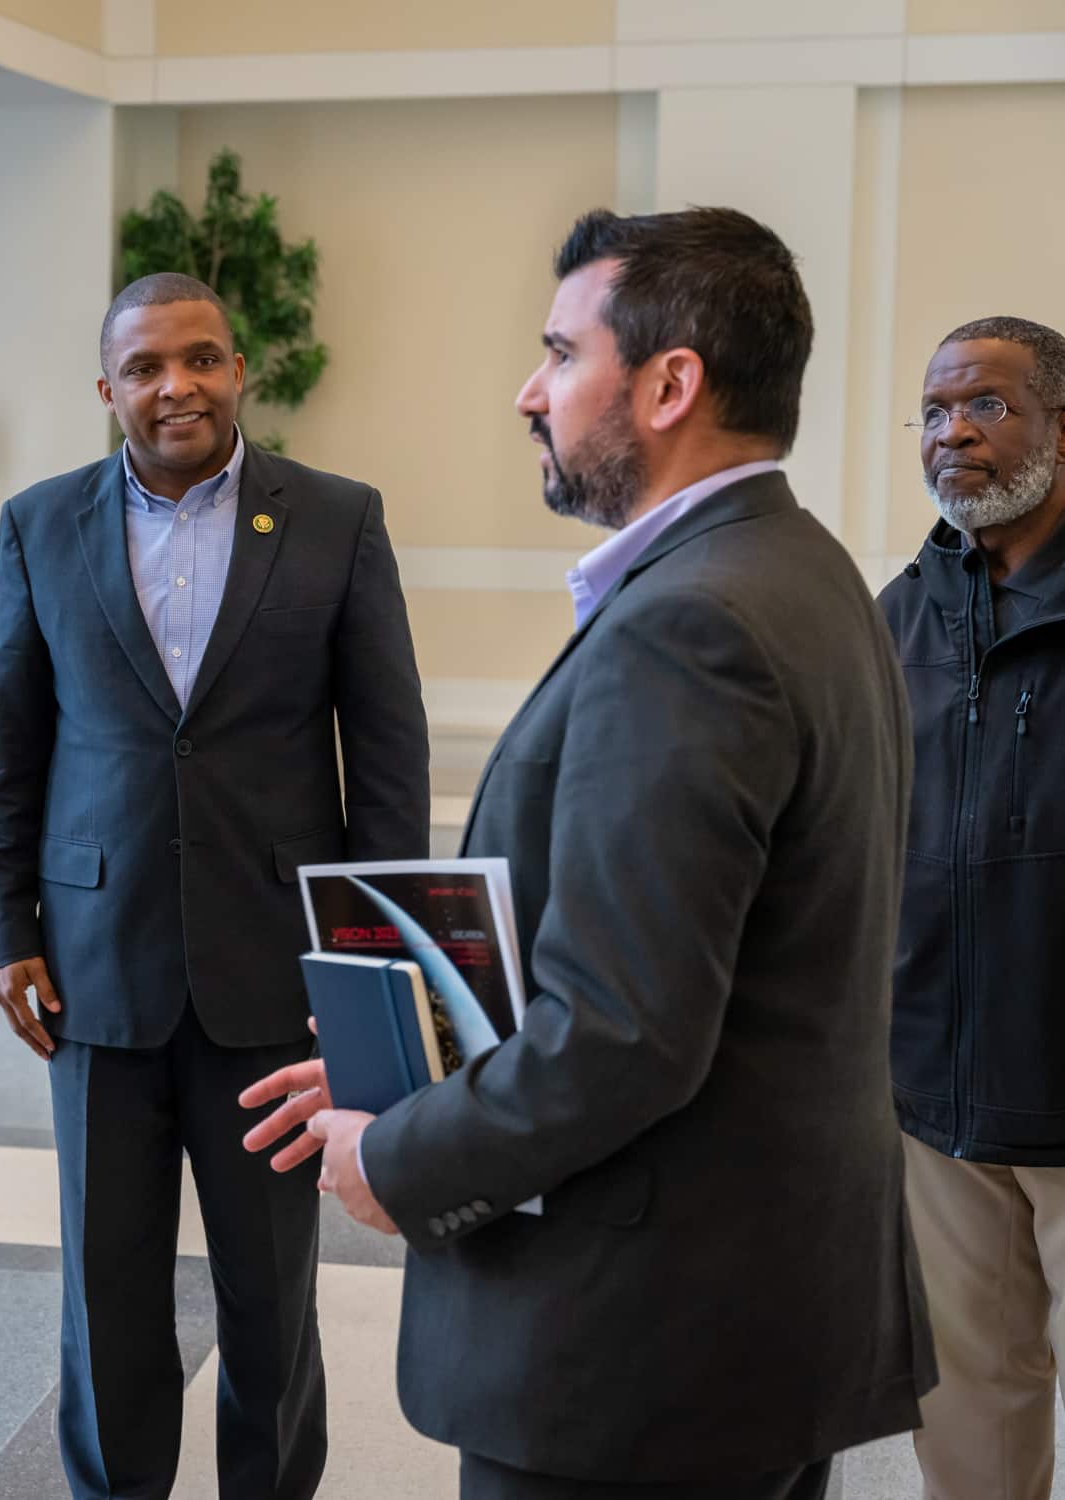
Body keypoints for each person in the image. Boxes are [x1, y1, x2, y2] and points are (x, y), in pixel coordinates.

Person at [243, 208, 936, 1499]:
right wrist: (417, 1057)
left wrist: (399, 1155)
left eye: (561, 354)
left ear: (672, 384)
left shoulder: (692, 628)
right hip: (754, 1324)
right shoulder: (806, 570)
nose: (529, 390)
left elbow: (623, 1033)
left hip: (640, 1355)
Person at [0, 271, 429, 1499]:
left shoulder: (334, 518)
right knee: (104, 1287)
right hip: (93, 968)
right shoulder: (39, 523)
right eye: (148, 367)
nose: (179, 386)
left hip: (273, 978)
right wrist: (5, 927)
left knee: (271, 1299)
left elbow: (387, 759)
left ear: (240, 368)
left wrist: (373, 968)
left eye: (203, 358)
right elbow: (7, 749)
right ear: (107, 387)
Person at [877, 314, 1065, 1500]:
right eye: (937, 413)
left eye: (986, 407)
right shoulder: (901, 612)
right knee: (968, 1406)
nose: (954, 436)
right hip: (938, 1095)